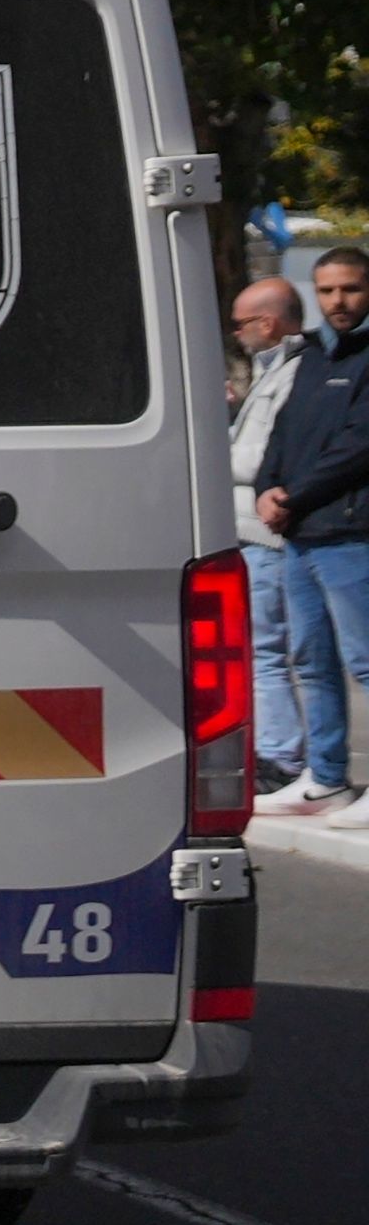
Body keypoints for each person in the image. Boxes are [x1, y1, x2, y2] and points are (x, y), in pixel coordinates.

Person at [253, 241, 369, 816]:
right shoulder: (311, 359)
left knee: (366, 661)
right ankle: (327, 779)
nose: (338, 300)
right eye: (326, 290)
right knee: (312, 661)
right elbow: (281, 433)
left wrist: (292, 497)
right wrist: (266, 488)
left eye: (350, 288)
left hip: (351, 536)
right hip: (299, 537)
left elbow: (356, 449)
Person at [228, 277, 308, 785]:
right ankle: (279, 751)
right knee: (267, 650)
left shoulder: (292, 374)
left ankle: (281, 756)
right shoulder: (272, 370)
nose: (236, 335)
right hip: (255, 533)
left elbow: (263, 456)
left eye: (240, 325)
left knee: (267, 651)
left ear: (267, 323)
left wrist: (215, 451)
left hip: (264, 536)